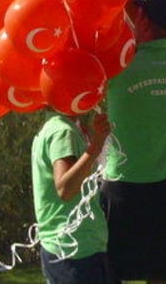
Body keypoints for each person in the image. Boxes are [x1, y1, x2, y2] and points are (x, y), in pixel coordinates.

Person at [102, 0, 166, 283]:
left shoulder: (118, 65)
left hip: (122, 185)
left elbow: (127, 6)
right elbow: (144, 18)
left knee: (112, 271)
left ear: (142, 19)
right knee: (164, 272)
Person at [31, 109, 115, 283]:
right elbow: (65, 188)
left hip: (65, 247)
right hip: (77, 251)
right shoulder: (62, 131)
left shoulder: (52, 127)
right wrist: (96, 146)